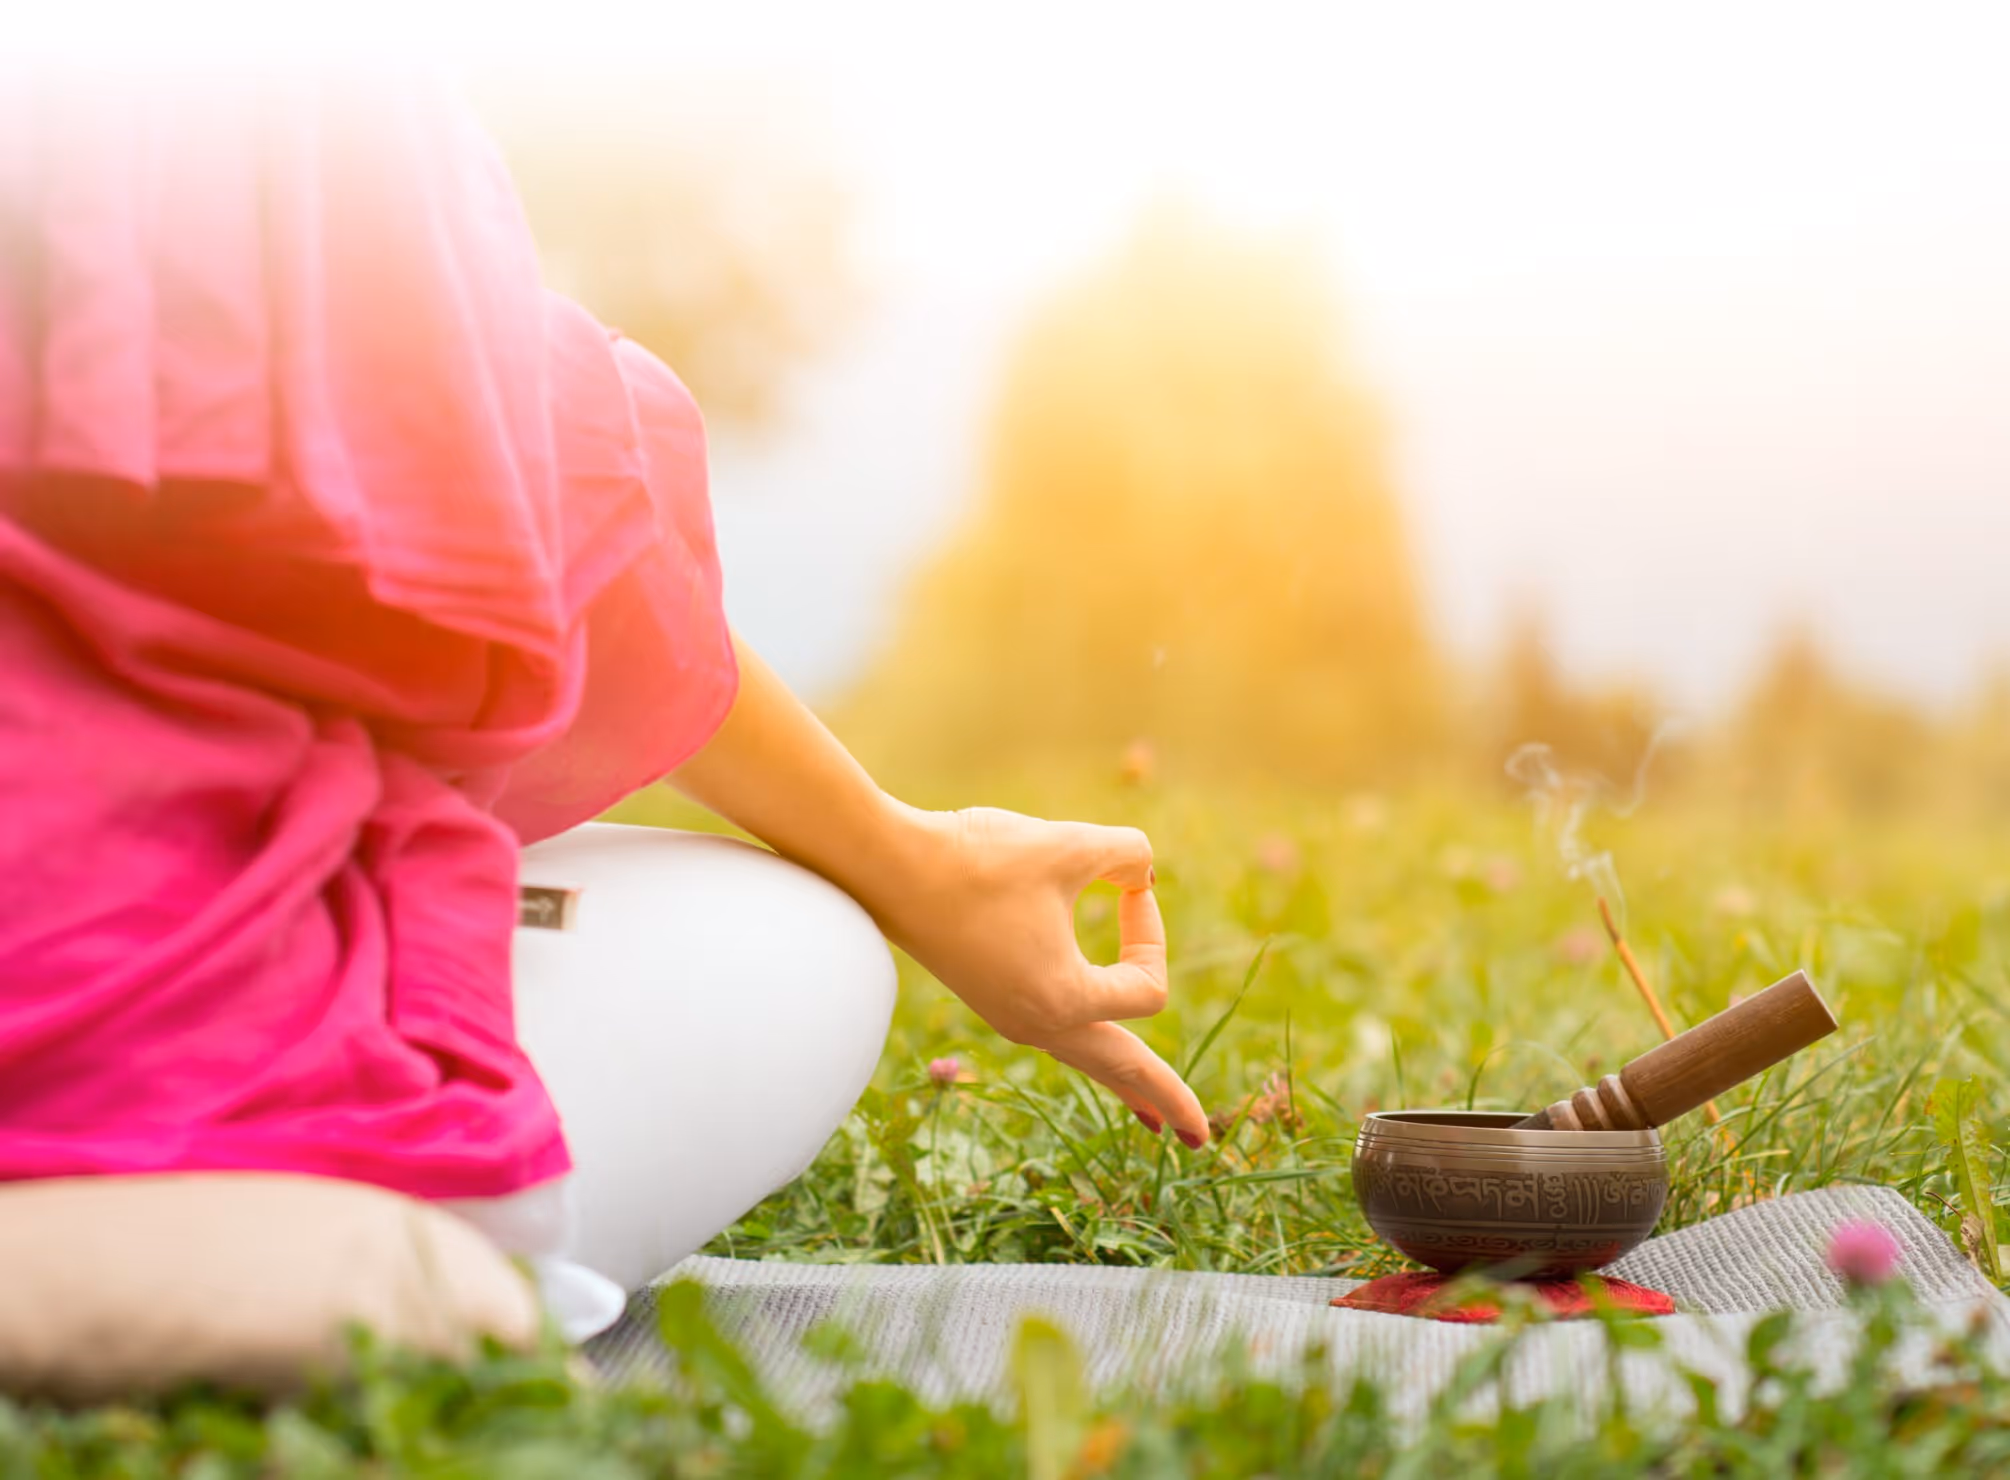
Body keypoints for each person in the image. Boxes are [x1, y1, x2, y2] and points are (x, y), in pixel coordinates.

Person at [0, 66, 1207, 1340]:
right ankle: (364, 1242)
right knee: (786, 939)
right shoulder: (284, 107)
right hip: (127, 1154)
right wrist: (908, 865)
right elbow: (549, 565)